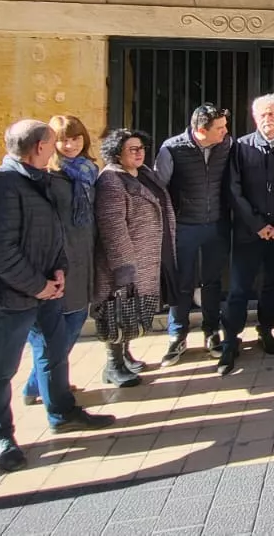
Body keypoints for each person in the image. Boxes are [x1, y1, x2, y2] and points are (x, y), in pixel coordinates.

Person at [0, 120, 114, 474]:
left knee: (53, 354)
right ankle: (0, 436)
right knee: (1, 369)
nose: (56, 149)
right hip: (7, 297)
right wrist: (37, 284)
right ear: (39, 147)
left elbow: (54, 234)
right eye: (52, 143)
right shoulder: (2, 186)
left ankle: (62, 412)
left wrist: (59, 269)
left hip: (47, 288)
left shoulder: (40, 181)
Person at [19, 114, 97, 407]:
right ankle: (41, 384)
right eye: (64, 140)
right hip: (59, 259)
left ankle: (45, 382)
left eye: (76, 138)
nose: (71, 145)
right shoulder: (48, 176)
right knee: (59, 328)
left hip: (85, 253)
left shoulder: (89, 171)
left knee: (75, 320)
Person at [221, 94, 274, 374]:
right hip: (249, 234)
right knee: (239, 289)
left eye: (272, 113)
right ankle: (231, 339)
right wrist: (256, 224)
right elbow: (234, 190)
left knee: (272, 286)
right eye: (262, 115)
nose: (267, 119)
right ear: (255, 118)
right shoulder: (240, 147)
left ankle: (266, 329)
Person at [93, 128, 174, 387]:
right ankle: (113, 364)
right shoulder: (111, 181)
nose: (139, 153)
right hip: (124, 261)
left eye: (141, 148)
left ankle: (125, 356)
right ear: (117, 153)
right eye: (132, 149)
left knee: (129, 309)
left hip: (144, 257)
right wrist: (123, 267)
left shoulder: (143, 175)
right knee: (115, 309)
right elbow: (113, 228)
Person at [154, 103, 233, 364]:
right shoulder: (172, 148)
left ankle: (212, 331)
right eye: (220, 128)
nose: (225, 131)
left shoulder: (226, 145)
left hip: (216, 224)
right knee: (182, 283)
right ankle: (177, 336)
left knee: (212, 282)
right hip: (184, 226)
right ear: (201, 129)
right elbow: (159, 189)